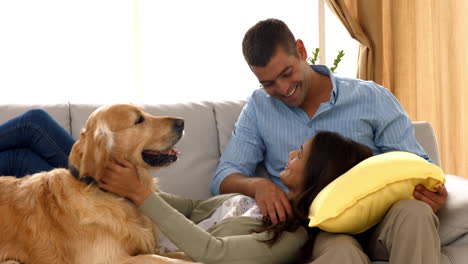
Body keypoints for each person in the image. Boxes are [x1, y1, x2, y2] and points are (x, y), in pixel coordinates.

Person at [209, 18, 447, 263]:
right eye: (268, 83)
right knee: (341, 251)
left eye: (287, 73)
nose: (282, 88)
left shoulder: (372, 98)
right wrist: (259, 186)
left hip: (379, 221)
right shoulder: (259, 108)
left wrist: (432, 193)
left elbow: (413, 164)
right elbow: (223, 177)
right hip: (316, 230)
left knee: (416, 213)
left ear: (301, 50)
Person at [97, 131, 373, 264]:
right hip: (131, 222)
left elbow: (214, 252)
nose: (290, 155)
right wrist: (135, 188)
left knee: (78, 162)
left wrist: (139, 193)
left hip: (138, 247)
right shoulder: (266, 199)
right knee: (82, 154)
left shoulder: (290, 235)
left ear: (316, 172)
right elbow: (194, 208)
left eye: (299, 154)